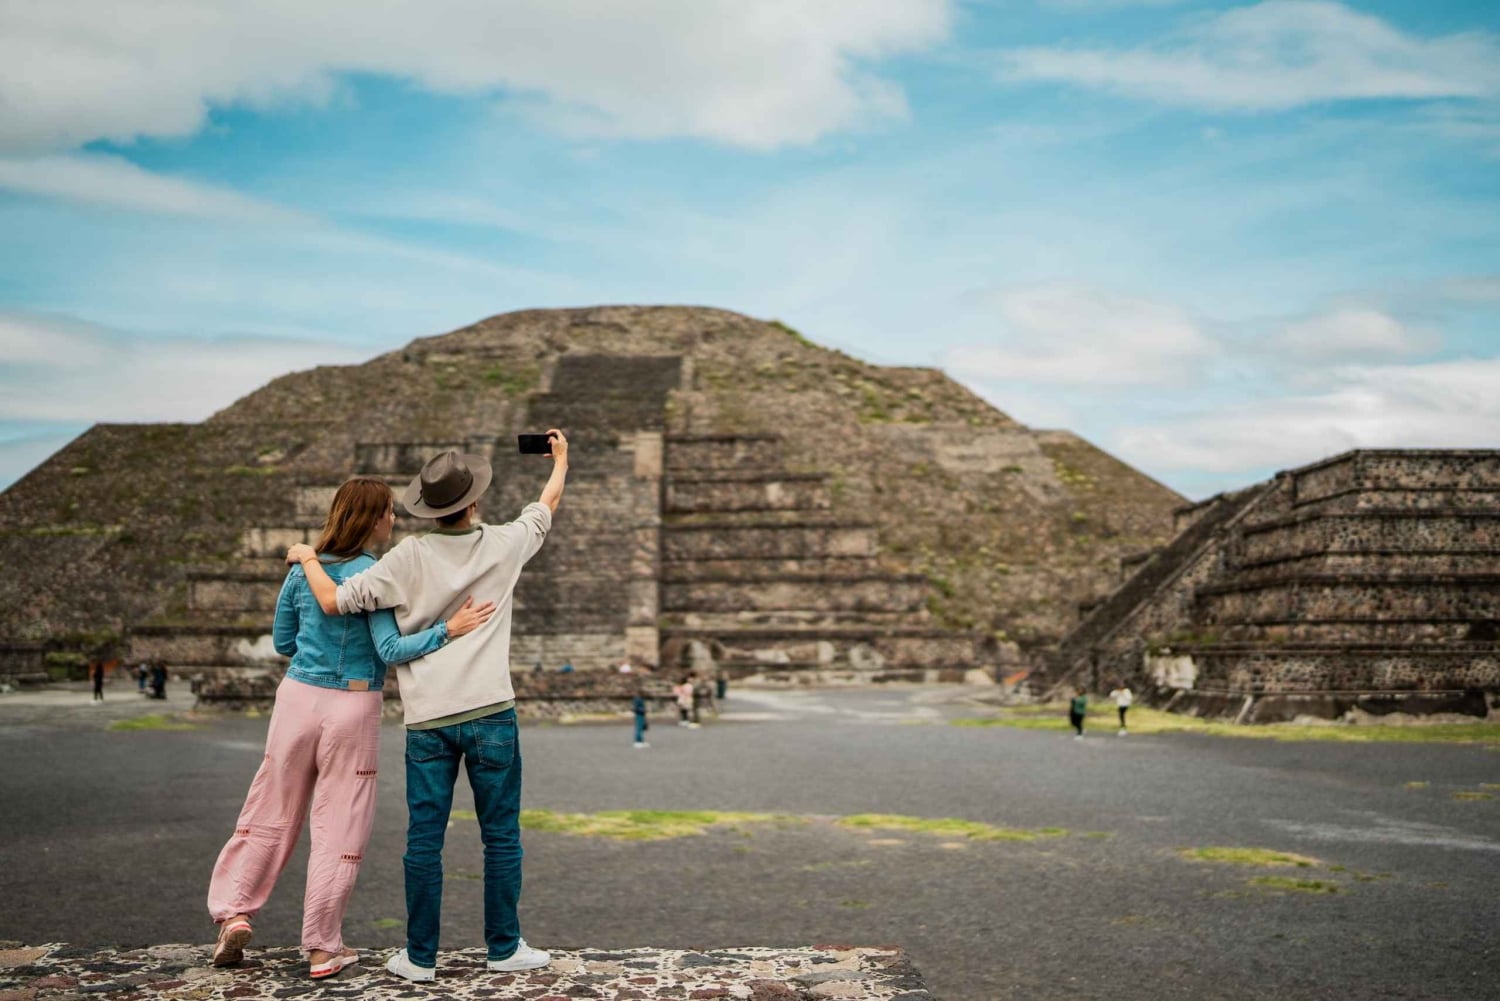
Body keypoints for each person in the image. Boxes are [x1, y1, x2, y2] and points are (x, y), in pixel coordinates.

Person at [288, 430, 569, 983]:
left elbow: (332, 600)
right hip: (491, 711)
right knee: (501, 836)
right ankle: (503, 947)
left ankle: (419, 957)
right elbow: (546, 504)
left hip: (428, 721)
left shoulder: (406, 557)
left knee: (424, 840)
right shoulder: (506, 543)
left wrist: (307, 556)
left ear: (428, 508)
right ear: (474, 501)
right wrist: (559, 460)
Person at [208, 476, 494, 980]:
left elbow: (283, 641)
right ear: (374, 518)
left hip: (297, 698)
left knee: (269, 807)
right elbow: (390, 650)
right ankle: (322, 947)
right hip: (353, 705)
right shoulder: (376, 575)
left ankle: (234, 912)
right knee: (339, 825)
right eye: (389, 512)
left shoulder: (304, 569)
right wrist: (448, 630)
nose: (394, 520)